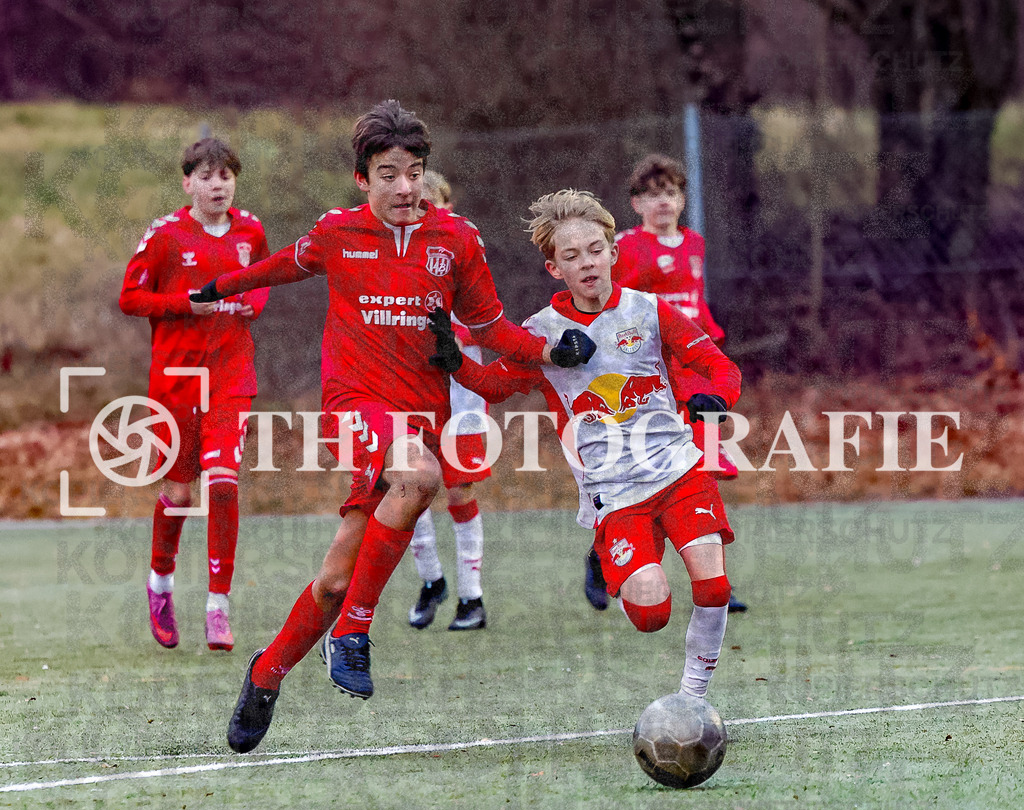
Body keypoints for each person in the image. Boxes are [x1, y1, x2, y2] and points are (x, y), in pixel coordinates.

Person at [191, 101, 595, 752]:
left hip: (421, 415)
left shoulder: (457, 240)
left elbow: (490, 328)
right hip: (354, 406)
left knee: (332, 578)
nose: (405, 186)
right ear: (362, 179)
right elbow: (284, 264)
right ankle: (354, 630)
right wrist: (219, 286)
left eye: (414, 171)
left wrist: (549, 351)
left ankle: (266, 672)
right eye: (388, 173)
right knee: (418, 476)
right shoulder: (337, 233)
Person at [439, 189, 741, 701]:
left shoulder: (650, 311)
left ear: (613, 252)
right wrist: (451, 359)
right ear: (554, 268)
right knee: (651, 617)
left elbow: (719, 366)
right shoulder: (540, 332)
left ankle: (692, 702)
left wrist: (719, 397)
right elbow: (492, 386)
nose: (587, 263)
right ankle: (609, 557)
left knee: (713, 587)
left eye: (596, 250)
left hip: (679, 471)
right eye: (572, 256)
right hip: (614, 493)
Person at [119, 137, 271, 652]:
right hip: (177, 382)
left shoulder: (251, 230)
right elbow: (131, 297)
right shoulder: (165, 235)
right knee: (180, 494)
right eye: (206, 177)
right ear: (188, 183)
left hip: (231, 377)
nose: (217, 185)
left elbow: (263, 279)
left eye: (225, 176)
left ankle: (217, 608)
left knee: (224, 483)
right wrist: (185, 304)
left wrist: (254, 303)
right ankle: (160, 585)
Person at [590, 152, 747, 614]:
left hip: (696, 376)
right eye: (653, 194)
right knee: (646, 478)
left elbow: (695, 307)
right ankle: (606, 559)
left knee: (703, 473)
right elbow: (608, 303)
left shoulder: (695, 243)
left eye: (672, 193)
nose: (664, 203)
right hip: (651, 382)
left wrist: (714, 358)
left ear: (683, 199)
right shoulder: (625, 248)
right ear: (636, 204)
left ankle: (717, 579)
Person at [407, 170, 490, 631]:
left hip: (462, 393)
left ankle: (471, 598)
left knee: (459, 489)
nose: (422, 213)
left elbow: (486, 317)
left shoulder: (463, 250)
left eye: (431, 204)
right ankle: (431, 580)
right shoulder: (392, 256)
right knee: (409, 486)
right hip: (409, 388)